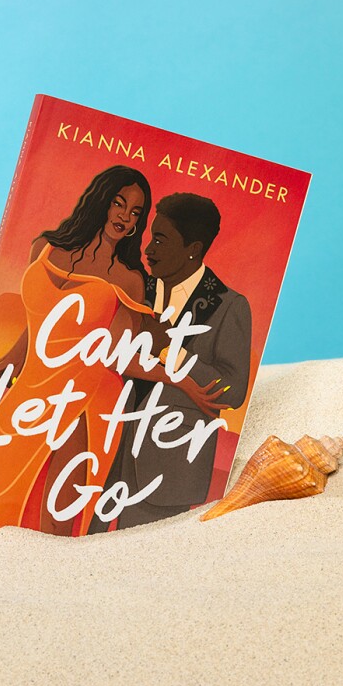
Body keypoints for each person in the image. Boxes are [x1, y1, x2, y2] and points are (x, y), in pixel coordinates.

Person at [0, 166, 219, 536]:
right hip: (33, 384)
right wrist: (14, 357)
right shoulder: (45, 247)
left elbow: (121, 355)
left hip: (87, 393)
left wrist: (184, 383)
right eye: (119, 204)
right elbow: (39, 318)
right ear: (101, 201)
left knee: (57, 516)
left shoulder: (127, 279)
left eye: (135, 212)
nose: (125, 217)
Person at [93, 192, 252, 531]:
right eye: (151, 236)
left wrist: (171, 349)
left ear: (193, 248)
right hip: (100, 451)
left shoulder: (229, 307)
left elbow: (233, 391)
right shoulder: (135, 285)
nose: (149, 250)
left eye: (161, 240)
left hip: (166, 467)